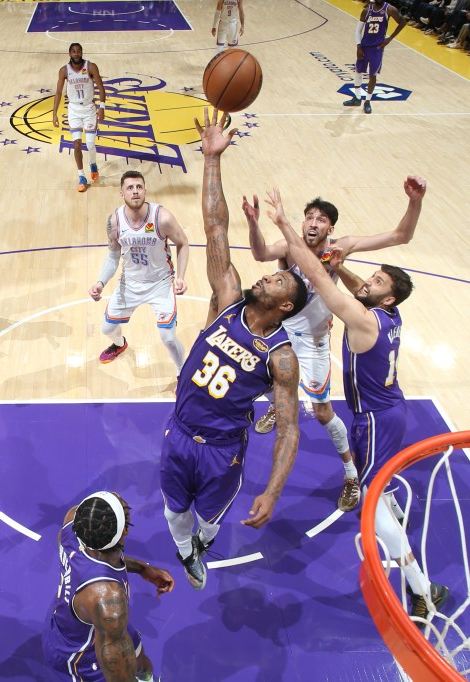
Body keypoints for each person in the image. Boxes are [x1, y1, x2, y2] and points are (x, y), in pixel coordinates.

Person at [264, 188, 451, 625]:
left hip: (376, 420)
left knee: (370, 501)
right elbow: (351, 284)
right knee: (376, 481)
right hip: (388, 409)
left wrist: (286, 227)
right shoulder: (388, 314)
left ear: (386, 298)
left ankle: (423, 589)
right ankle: (383, 491)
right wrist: (349, 269)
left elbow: (322, 281)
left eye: (377, 282)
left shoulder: (362, 319)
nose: (368, 281)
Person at [161, 109, 306, 592]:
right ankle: (186, 551)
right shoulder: (227, 298)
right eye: (271, 271)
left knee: (209, 517)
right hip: (180, 432)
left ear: (285, 304)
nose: (267, 273)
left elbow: (287, 430)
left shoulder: (281, 356)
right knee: (172, 509)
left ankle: (200, 542)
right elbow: (216, 228)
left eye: (278, 278)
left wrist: (272, 490)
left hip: (223, 451)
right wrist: (211, 161)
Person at [244, 177, 425, 513]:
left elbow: (401, 236)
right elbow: (258, 252)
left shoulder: (341, 247)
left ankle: (351, 474)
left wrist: (414, 201)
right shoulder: (289, 246)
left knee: (323, 411)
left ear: (331, 228)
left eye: (321, 219)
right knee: (259, 380)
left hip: (313, 343)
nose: (314, 223)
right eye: (309, 217)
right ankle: (276, 402)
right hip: (281, 337)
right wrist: (254, 223)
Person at [43, 492, 174, 682]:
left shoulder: (73, 522)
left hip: (76, 621)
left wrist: (142, 568)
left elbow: (102, 561)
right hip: (80, 654)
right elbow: (117, 676)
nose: (117, 495)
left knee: (143, 665)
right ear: (125, 531)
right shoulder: (108, 600)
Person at [89, 170, 190, 373]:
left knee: (168, 337)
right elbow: (113, 256)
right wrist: (100, 282)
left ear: (145, 191)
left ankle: (182, 373)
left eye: (139, 187)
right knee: (107, 328)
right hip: (130, 283)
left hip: (161, 282)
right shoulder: (115, 221)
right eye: (130, 188)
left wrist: (180, 277)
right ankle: (119, 344)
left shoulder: (162, 217)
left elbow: (183, 243)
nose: (135, 191)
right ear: (122, 193)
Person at [52, 43, 106, 193]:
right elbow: (58, 93)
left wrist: (102, 107)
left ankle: (93, 164)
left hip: (89, 109)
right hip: (74, 110)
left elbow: (101, 88)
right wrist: (54, 113)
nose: (76, 54)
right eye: (73, 51)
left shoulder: (91, 67)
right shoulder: (64, 71)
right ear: (69, 53)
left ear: (82, 52)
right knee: (76, 145)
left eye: (78, 51)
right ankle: (81, 176)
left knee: (90, 144)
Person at [345, 0, 408, 113]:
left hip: (377, 48)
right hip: (364, 46)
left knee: (372, 75)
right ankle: (357, 98)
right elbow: (358, 31)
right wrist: (358, 46)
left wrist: (389, 38)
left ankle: (367, 101)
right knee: (358, 71)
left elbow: (403, 22)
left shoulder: (389, 9)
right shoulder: (366, 10)